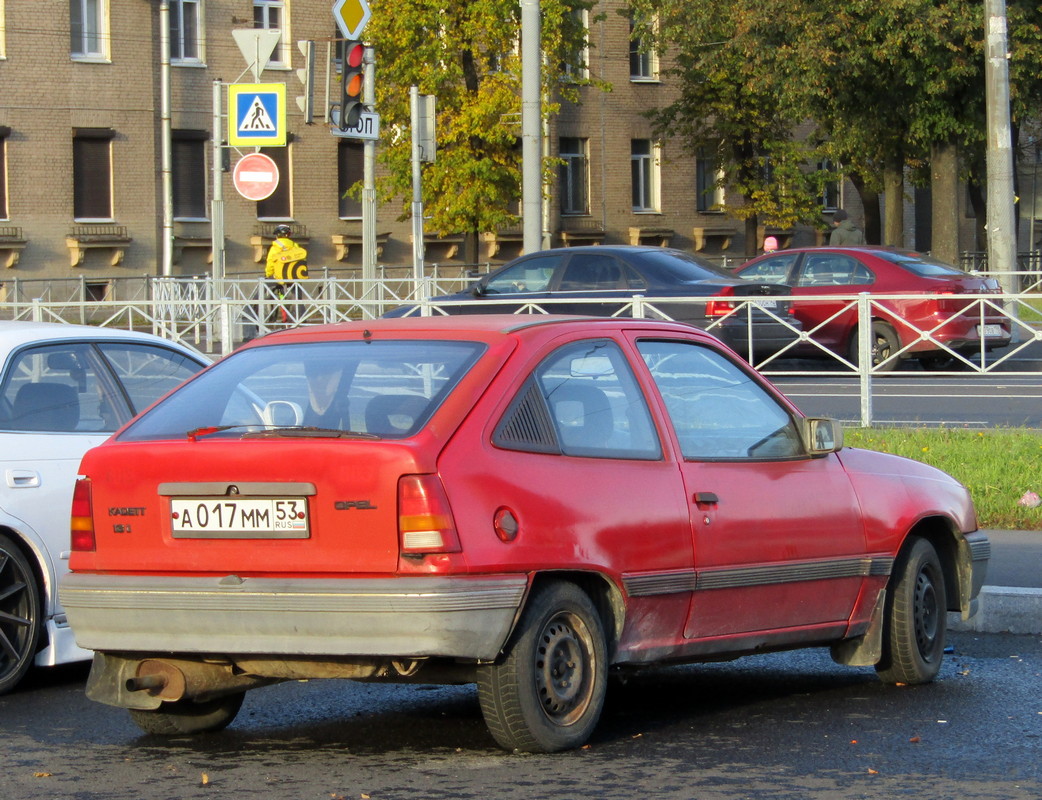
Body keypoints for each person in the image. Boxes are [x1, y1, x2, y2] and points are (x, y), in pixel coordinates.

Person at [264, 225, 309, 323]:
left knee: (265, 292)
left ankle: (270, 318)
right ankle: (301, 318)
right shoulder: (295, 246)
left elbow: (270, 263)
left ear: (277, 236)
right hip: (294, 277)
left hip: (278, 277)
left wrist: (268, 274)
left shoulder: (275, 247)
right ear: (289, 235)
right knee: (297, 298)